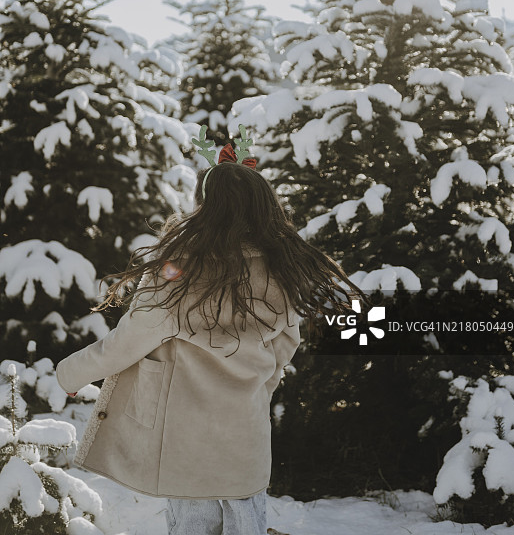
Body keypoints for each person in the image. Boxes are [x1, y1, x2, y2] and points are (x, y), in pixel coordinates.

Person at [55, 126, 369, 535]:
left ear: (206, 206)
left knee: (192, 525)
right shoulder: (284, 268)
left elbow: (130, 340)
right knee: (246, 520)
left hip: (183, 438)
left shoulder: (180, 269)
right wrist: (259, 385)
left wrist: (70, 374)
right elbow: (286, 344)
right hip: (245, 427)